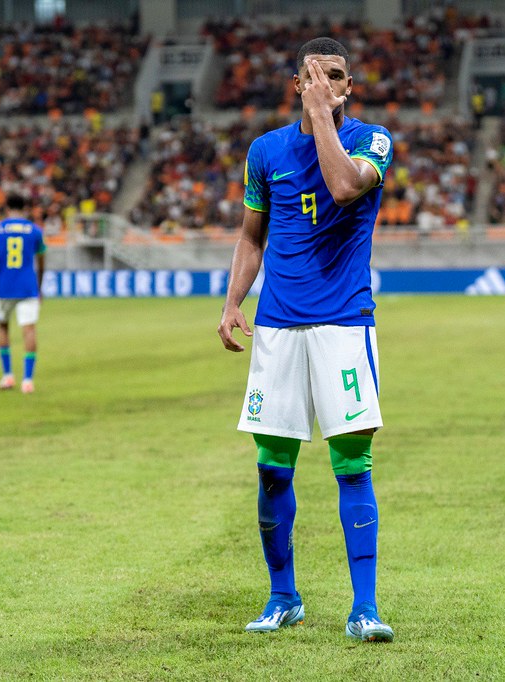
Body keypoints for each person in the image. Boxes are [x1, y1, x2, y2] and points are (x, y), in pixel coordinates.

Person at [217, 37, 395, 643]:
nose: (330, 82)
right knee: (273, 471)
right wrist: (233, 300)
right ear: (297, 82)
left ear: (351, 84)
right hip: (278, 328)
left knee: (352, 464)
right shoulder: (265, 151)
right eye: (317, 76)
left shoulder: (373, 142)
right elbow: (250, 235)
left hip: (345, 323)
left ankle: (364, 609)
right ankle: (282, 596)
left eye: (338, 75)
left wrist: (322, 116)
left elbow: (344, 187)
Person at [0, 194, 46, 393]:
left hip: (3, 287)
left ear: (6, 208)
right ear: (24, 208)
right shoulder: (35, 231)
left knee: (2, 327)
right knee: (29, 330)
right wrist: (39, 288)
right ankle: (27, 380)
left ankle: (8, 376)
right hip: (28, 287)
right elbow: (41, 264)